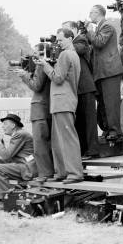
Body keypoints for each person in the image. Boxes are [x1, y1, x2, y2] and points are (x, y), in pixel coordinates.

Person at [38, 28, 83, 184]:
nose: (58, 43)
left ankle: (74, 173)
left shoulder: (65, 55)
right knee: (58, 140)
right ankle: (62, 172)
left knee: (68, 139)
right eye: (57, 40)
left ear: (70, 38)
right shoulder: (73, 55)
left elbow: (57, 78)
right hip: (62, 102)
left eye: (61, 40)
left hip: (63, 102)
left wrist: (44, 65)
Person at [87, 5, 123, 140]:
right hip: (101, 72)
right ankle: (107, 129)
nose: (89, 15)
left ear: (98, 13)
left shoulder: (107, 26)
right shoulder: (100, 27)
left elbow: (99, 42)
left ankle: (114, 131)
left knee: (111, 102)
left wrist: (90, 31)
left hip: (110, 71)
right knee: (103, 103)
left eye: (91, 12)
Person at [63, 21, 99, 158]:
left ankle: (93, 150)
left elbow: (79, 48)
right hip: (77, 88)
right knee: (80, 121)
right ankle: (83, 149)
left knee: (89, 121)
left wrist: (64, 45)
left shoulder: (81, 39)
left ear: (73, 30)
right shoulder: (72, 44)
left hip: (86, 87)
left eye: (65, 30)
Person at [19, 55, 54, 181]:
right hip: (48, 107)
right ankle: (49, 171)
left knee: (40, 144)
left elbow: (36, 86)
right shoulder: (51, 64)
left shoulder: (41, 65)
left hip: (40, 109)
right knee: (48, 142)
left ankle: (45, 173)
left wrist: (24, 75)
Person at [0, 114, 35, 202]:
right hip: (21, 164)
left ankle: (7, 198)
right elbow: (9, 157)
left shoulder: (20, 134)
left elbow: (7, 156)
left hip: (27, 168)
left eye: (5, 124)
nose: (3, 127)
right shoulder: (19, 134)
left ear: (13, 125)